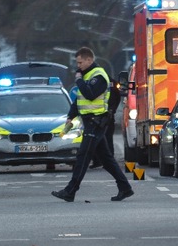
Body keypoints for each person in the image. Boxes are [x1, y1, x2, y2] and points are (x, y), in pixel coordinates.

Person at [52, 47, 133, 202]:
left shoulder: (99, 76)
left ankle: (70, 190)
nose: (78, 65)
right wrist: (71, 116)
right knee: (106, 159)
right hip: (90, 122)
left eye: (80, 62)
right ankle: (125, 188)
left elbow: (90, 94)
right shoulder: (88, 75)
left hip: (96, 122)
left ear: (89, 60)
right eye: (77, 62)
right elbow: (80, 99)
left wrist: (79, 81)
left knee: (83, 156)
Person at [90, 76, 120, 168]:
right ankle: (105, 161)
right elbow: (118, 97)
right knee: (106, 138)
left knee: (99, 138)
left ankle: (101, 161)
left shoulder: (94, 80)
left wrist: (112, 110)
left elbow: (117, 97)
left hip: (101, 115)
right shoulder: (112, 82)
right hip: (105, 115)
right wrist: (113, 110)